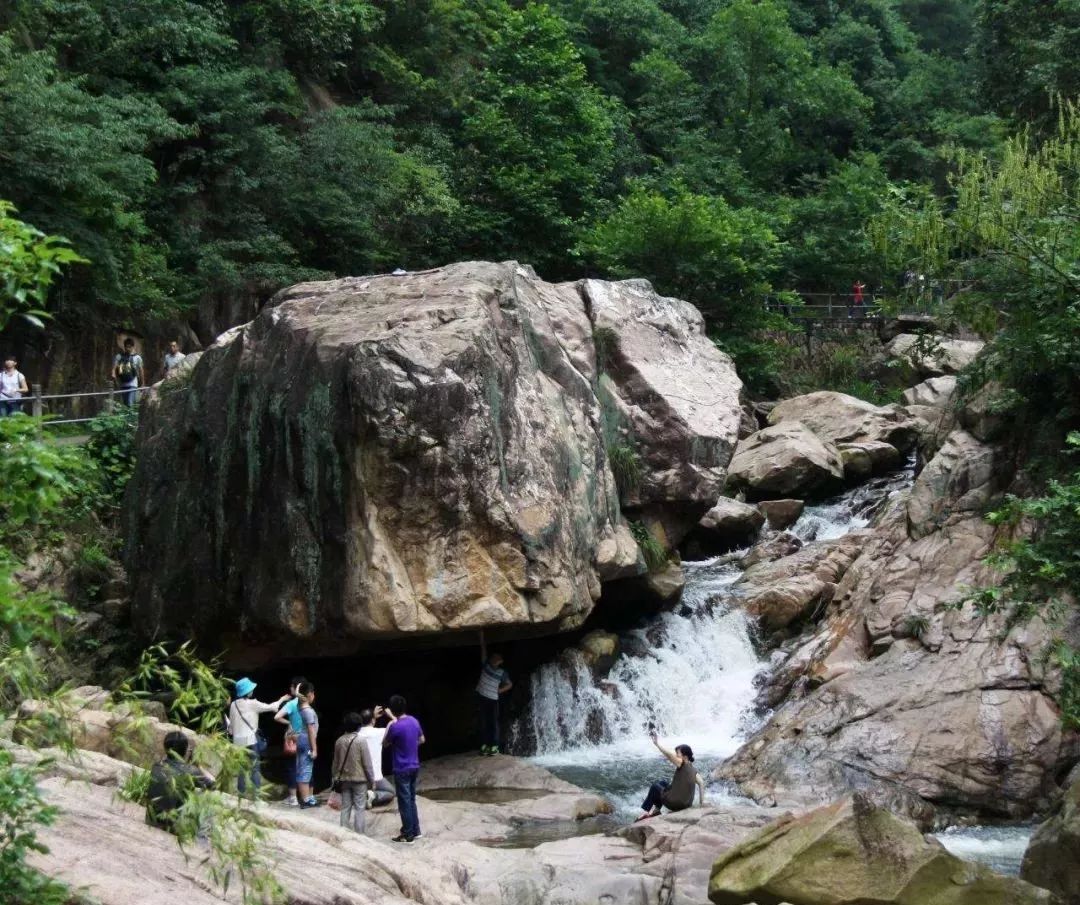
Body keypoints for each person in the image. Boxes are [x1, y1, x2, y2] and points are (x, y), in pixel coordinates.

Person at [227, 677, 289, 796]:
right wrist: (282, 699)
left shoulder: (233, 705)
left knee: (241, 769)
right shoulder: (252, 704)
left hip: (237, 742)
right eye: (251, 689)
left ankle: (241, 794)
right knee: (255, 768)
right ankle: (256, 795)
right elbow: (271, 707)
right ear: (247, 691)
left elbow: (231, 727)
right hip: (251, 741)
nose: (253, 691)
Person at [146, 730, 214, 835]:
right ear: (186, 750)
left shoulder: (156, 766)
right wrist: (198, 765)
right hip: (173, 827)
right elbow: (214, 784)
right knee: (207, 796)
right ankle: (202, 838)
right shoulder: (191, 771)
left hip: (151, 820)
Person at [636, 732, 706, 821]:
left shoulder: (682, 762)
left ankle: (646, 812)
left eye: (678, 753)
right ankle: (656, 810)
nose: (676, 755)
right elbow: (701, 783)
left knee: (655, 787)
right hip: (686, 805)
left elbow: (669, 755)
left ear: (685, 756)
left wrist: (657, 744)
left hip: (675, 804)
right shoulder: (694, 770)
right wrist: (701, 803)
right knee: (663, 783)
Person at [383, 694, 425, 843]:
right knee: (412, 799)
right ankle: (416, 830)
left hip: (401, 768)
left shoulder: (395, 726)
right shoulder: (414, 721)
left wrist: (391, 721)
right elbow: (422, 739)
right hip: (414, 765)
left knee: (404, 801)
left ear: (392, 710)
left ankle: (408, 834)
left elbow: (385, 743)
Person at [333, 712, 375, 834]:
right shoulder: (361, 741)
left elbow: (335, 764)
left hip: (344, 780)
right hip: (359, 779)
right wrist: (371, 780)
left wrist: (335, 777)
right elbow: (367, 764)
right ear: (359, 726)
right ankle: (360, 835)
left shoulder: (339, 741)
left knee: (345, 807)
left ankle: (343, 833)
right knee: (360, 808)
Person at [274, 676, 307, 806]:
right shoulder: (308, 704)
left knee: (292, 767)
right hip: (306, 738)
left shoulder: (292, 704)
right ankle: (307, 796)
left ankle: (293, 798)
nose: (290, 688)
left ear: (296, 688)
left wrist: (289, 723)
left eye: (292, 687)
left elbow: (277, 717)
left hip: (293, 738)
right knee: (305, 767)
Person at [475, 642, 512, 755]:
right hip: (481, 697)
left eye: (497, 659)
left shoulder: (502, 673)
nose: (495, 661)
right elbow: (483, 651)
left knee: (493, 723)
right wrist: (481, 638)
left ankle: (494, 746)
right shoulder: (485, 665)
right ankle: (484, 746)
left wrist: (500, 690)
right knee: (483, 722)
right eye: (493, 658)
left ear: (500, 662)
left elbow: (510, 684)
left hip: (493, 699)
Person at [358, 707, 396, 807]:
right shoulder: (379, 733)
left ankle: (362, 794)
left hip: (358, 778)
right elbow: (396, 723)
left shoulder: (356, 734)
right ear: (373, 720)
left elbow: (363, 725)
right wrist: (391, 715)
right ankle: (373, 796)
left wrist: (372, 716)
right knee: (392, 792)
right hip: (375, 778)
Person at [112, 338, 144, 406]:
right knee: (125, 404)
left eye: (129, 347)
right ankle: (128, 415)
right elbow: (114, 367)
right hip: (123, 383)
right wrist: (113, 373)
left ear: (133, 347)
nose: (128, 348)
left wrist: (143, 383)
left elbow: (141, 371)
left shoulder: (137, 358)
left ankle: (130, 415)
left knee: (130, 403)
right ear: (124, 347)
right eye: (126, 347)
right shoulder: (119, 356)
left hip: (133, 383)